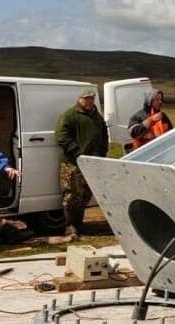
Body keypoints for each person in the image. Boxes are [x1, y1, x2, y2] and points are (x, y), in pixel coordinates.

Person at [55, 88, 108, 236]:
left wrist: (102, 153)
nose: (89, 101)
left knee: (85, 195)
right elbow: (61, 137)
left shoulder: (97, 116)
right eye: (86, 98)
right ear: (80, 99)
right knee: (71, 195)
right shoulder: (69, 116)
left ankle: (79, 224)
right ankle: (70, 226)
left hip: (91, 162)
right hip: (72, 163)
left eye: (92, 98)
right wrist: (77, 152)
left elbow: (103, 135)